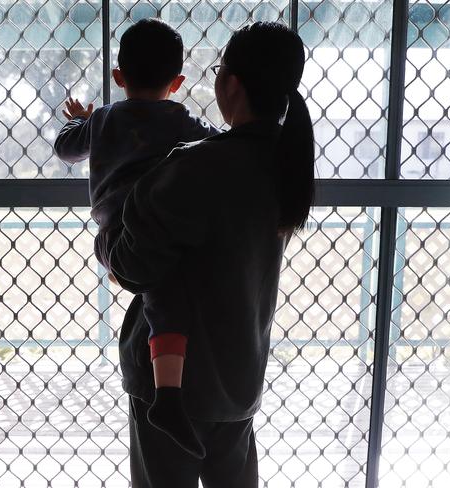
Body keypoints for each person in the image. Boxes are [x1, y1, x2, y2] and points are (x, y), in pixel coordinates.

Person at [97, 21, 315, 487]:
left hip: (169, 384)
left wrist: (106, 240)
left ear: (230, 82)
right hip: (237, 374)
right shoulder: (286, 163)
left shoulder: (192, 166)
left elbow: (132, 266)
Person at [53, 18, 219, 459]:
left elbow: (66, 149)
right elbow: (218, 146)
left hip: (113, 240)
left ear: (118, 77)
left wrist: (81, 123)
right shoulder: (179, 119)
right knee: (171, 289)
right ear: (178, 82)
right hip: (157, 235)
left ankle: (166, 397)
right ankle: (168, 396)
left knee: (162, 290)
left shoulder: (105, 119)